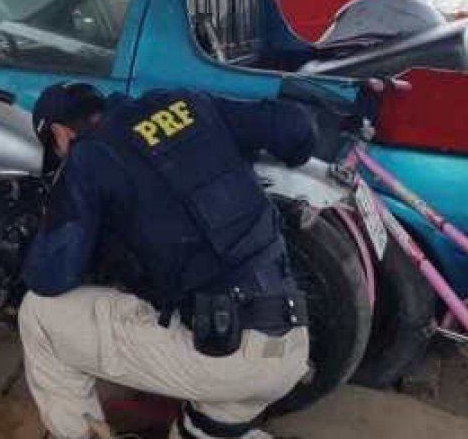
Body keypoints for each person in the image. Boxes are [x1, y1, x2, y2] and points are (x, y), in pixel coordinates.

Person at [19, 83, 317, 439]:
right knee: (200, 426)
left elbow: (50, 277)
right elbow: (296, 125)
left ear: (60, 134)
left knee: (39, 315)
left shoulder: (89, 156)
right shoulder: (186, 101)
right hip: (291, 341)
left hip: (226, 357)